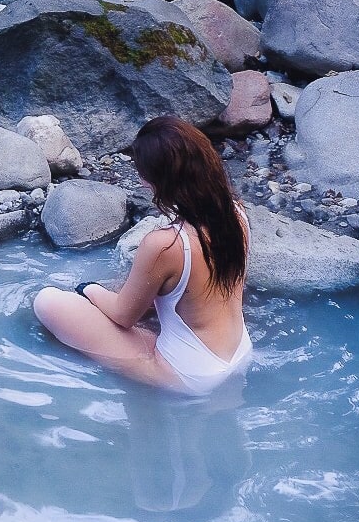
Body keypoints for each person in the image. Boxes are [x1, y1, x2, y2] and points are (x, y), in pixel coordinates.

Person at [33, 116, 253, 396]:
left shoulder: (165, 244)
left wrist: (88, 289)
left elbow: (122, 316)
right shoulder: (236, 214)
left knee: (48, 302)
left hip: (189, 375)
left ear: (158, 181)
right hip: (239, 353)